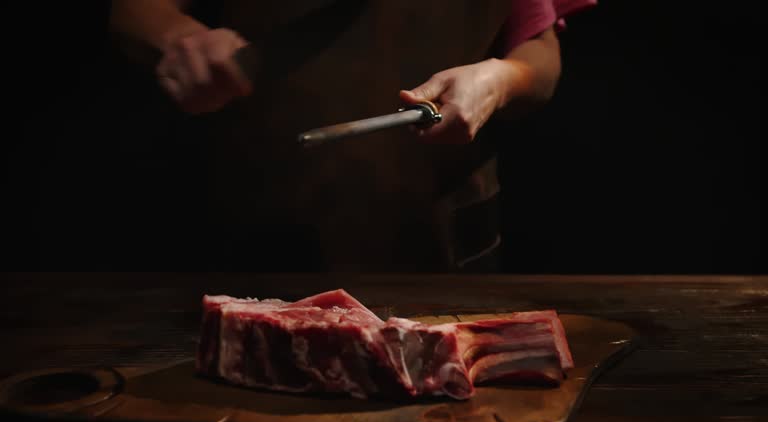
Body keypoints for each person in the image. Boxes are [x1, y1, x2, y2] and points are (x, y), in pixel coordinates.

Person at [108, 0, 596, 272]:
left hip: (448, 244)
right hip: (266, 243)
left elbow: (540, 50)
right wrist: (179, 39)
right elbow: (133, 10)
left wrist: (499, 80)